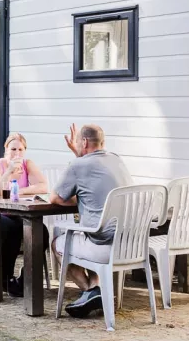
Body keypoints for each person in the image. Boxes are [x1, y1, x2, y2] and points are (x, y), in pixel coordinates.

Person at [49, 124, 134, 318]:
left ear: (84, 142)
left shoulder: (77, 166)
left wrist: (80, 198)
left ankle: (92, 292)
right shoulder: (116, 160)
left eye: (79, 142)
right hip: (130, 245)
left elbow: (55, 198)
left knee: (58, 244)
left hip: (103, 247)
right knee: (85, 235)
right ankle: (95, 292)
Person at [0, 132, 48, 297]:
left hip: (15, 214)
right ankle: (3, 279)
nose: (17, 153)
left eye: (20, 149)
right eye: (13, 149)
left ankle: (26, 277)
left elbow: (43, 186)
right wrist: (8, 173)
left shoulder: (28, 164)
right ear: (6, 149)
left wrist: (19, 191)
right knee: (9, 228)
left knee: (41, 231)